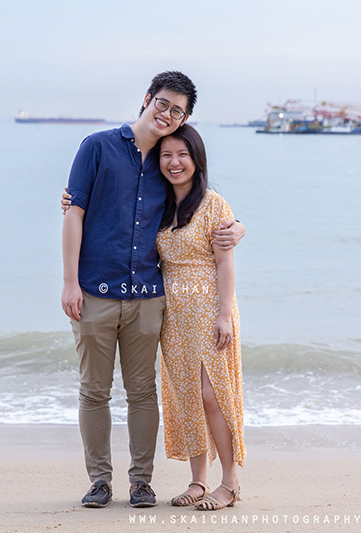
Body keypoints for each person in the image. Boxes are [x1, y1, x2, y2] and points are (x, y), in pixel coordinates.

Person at [61, 71, 245, 509]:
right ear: (147, 99)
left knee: (151, 393)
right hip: (100, 293)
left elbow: (209, 210)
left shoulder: (174, 168)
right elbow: (75, 211)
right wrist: (69, 282)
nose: (167, 115)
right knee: (99, 391)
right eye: (162, 104)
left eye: (177, 111)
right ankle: (102, 482)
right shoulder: (99, 147)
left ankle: (145, 483)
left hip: (151, 298)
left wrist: (238, 228)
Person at [156, 125, 245, 511]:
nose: (174, 163)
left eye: (182, 155)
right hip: (172, 315)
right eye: (166, 155)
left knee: (213, 394)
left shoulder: (214, 204)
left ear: (197, 159)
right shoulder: (156, 204)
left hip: (210, 309)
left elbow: (225, 264)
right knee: (187, 395)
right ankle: (197, 481)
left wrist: (224, 315)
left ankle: (230, 483)